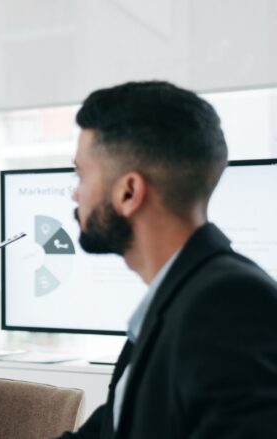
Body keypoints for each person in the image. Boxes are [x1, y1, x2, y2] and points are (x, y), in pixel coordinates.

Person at [60, 81, 277, 438]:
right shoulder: (176, 297)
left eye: (80, 175)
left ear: (129, 192)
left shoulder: (227, 303)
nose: (75, 193)